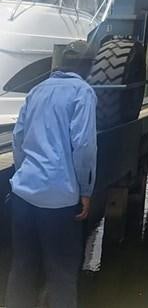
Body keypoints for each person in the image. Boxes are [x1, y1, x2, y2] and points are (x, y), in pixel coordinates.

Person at [5, 43, 97, 308]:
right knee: (61, 274)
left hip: (23, 195)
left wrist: (25, 173)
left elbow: (18, 138)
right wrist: (85, 190)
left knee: (22, 268)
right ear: (88, 67)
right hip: (59, 201)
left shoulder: (37, 90)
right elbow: (84, 146)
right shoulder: (83, 92)